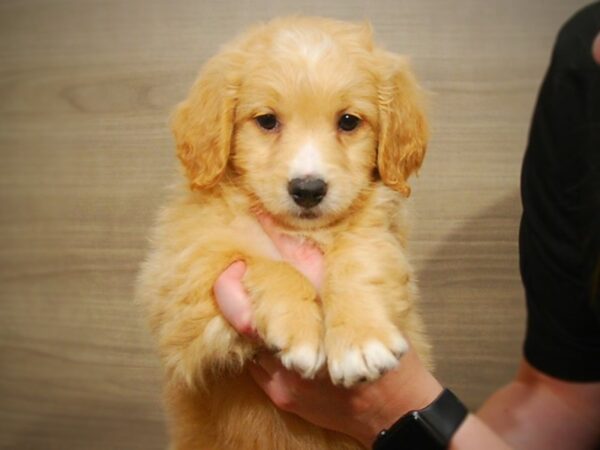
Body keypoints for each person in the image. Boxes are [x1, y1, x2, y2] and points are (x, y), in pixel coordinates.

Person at [213, 4, 600, 449]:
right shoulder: (581, 56)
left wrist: (400, 410)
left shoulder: (368, 230)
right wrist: (276, 286)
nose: (308, 172)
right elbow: (564, 394)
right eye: (267, 121)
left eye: (348, 122)